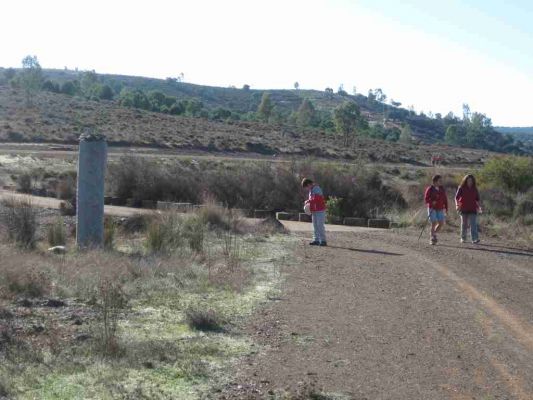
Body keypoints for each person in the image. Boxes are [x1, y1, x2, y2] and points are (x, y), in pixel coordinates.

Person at [455, 174, 482, 244]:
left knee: (473, 224)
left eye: (471, 180)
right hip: (463, 208)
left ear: (473, 181)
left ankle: (475, 239)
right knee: (464, 224)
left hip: (473, 208)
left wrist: (479, 207)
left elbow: (478, 199)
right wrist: (457, 205)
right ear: (465, 180)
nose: (470, 181)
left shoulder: (475, 189)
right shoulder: (461, 188)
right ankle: (463, 238)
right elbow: (456, 198)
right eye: (468, 180)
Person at [301, 178, 327, 246]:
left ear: (309, 184)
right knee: (315, 225)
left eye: (306, 187)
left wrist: (308, 201)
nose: (306, 189)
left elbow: (317, 199)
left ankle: (323, 240)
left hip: (320, 210)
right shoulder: (311, 190)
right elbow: (312, 200)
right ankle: (316, 240)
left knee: (320, 225)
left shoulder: (317, 189)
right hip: (314, 211)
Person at [424, 174, 448, 245]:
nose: (441, 182)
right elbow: (426, 199)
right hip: (432, 208)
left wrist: (446, 208)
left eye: (441, 181)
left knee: (441, 223)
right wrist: (432, 201)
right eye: (439, 180)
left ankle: (433, 234)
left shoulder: (442, 189)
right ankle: (432, 238)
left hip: (440, 208)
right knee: (434, 222)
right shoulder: (430, 189)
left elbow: (445, 199)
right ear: (435, 181)